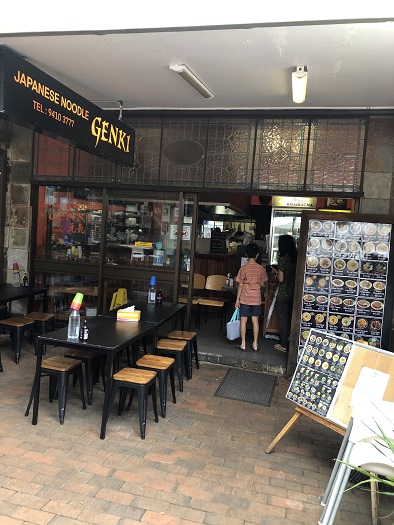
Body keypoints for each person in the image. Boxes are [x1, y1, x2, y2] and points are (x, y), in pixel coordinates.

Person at [235, 242, 268, 352]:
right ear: (257, 255)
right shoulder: (261, 269)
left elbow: (240, 285)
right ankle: (255, 344)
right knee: (255, 321)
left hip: (245, 297)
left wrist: (237, 300)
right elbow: (263, 284)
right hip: (256, 299)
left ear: (246, 254)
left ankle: (243, 344)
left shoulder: (243, 268)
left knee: (243, 320)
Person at [274, 234, 298, 352]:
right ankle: (293, 343)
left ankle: (283, 345)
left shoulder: (283, 259)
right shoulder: (297, 257)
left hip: (283, 294)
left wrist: (275, 273)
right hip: (295, 294)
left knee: (283, 319)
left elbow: (281, 279)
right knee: (293, 318)